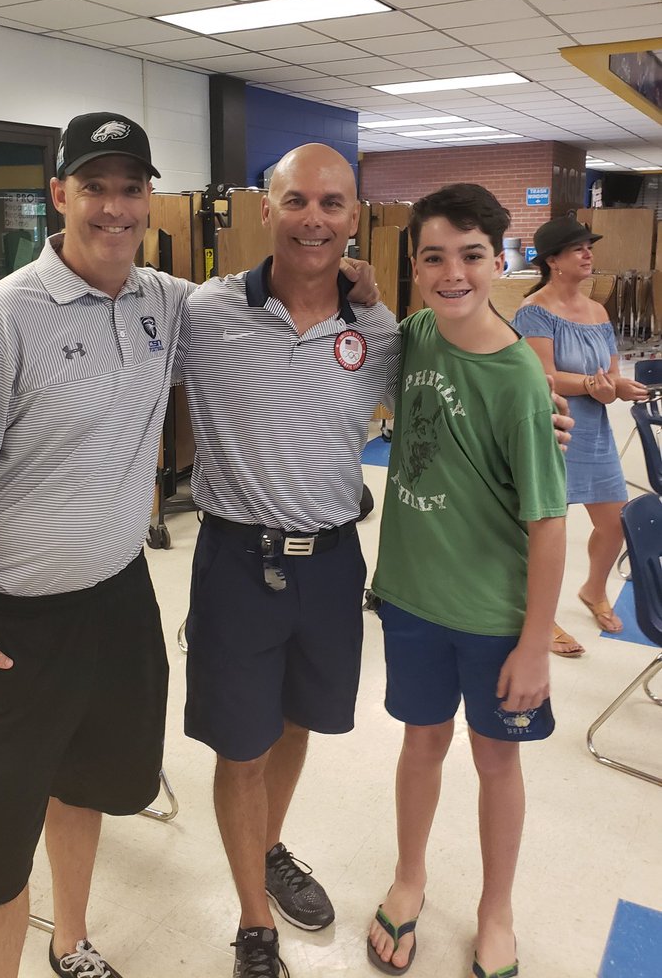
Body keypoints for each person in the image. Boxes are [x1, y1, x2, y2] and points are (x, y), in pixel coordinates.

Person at [0, 111, 192, 978]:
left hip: (115, 602)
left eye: (130, 187)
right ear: (59, 195)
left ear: (150, 200)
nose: (114, 207)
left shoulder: (162, 301)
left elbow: (275, 293)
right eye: (94, 187)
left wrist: (360, 284)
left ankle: (72, 944)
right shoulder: (4, 320)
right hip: (10, 627)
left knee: (91, 787)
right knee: (1, 839)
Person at [175, 144, 401, 978]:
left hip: (334, 564)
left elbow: (460, 384)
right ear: (265, 209)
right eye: (297, 200)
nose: (315, 218)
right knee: (242, 745)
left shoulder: (378, 330)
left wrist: (539, 413)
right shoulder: (202, 313)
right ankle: (253, 923)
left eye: (333, 204)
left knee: (299, 720)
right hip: (238, 561)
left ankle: (268, 846)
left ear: (354, 218)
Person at [367, 183, 567, 978]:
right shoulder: (416, 334)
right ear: (415, 266)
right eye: (434, 257)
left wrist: (534, 644)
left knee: (495, 761)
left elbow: (548, 525)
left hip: (491, 615)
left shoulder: (519, 380)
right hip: (412, 598)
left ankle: (496, 910)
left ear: (501, 261)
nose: (453, 273)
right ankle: (409, 879)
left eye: (472, 256)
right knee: (421, 743)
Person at [512, 215, 647, 657]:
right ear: (553, 261)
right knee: (547, 532)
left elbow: (609, 374)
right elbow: (543, 377)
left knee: (615, 524)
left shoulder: (598, 311)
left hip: (596, 434)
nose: (588, 254)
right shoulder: (534, 312)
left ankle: (592, 589)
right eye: (578, 249)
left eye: (589, 247)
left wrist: (619, 386)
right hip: (555, 430)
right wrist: (594, 385)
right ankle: (539, 616)